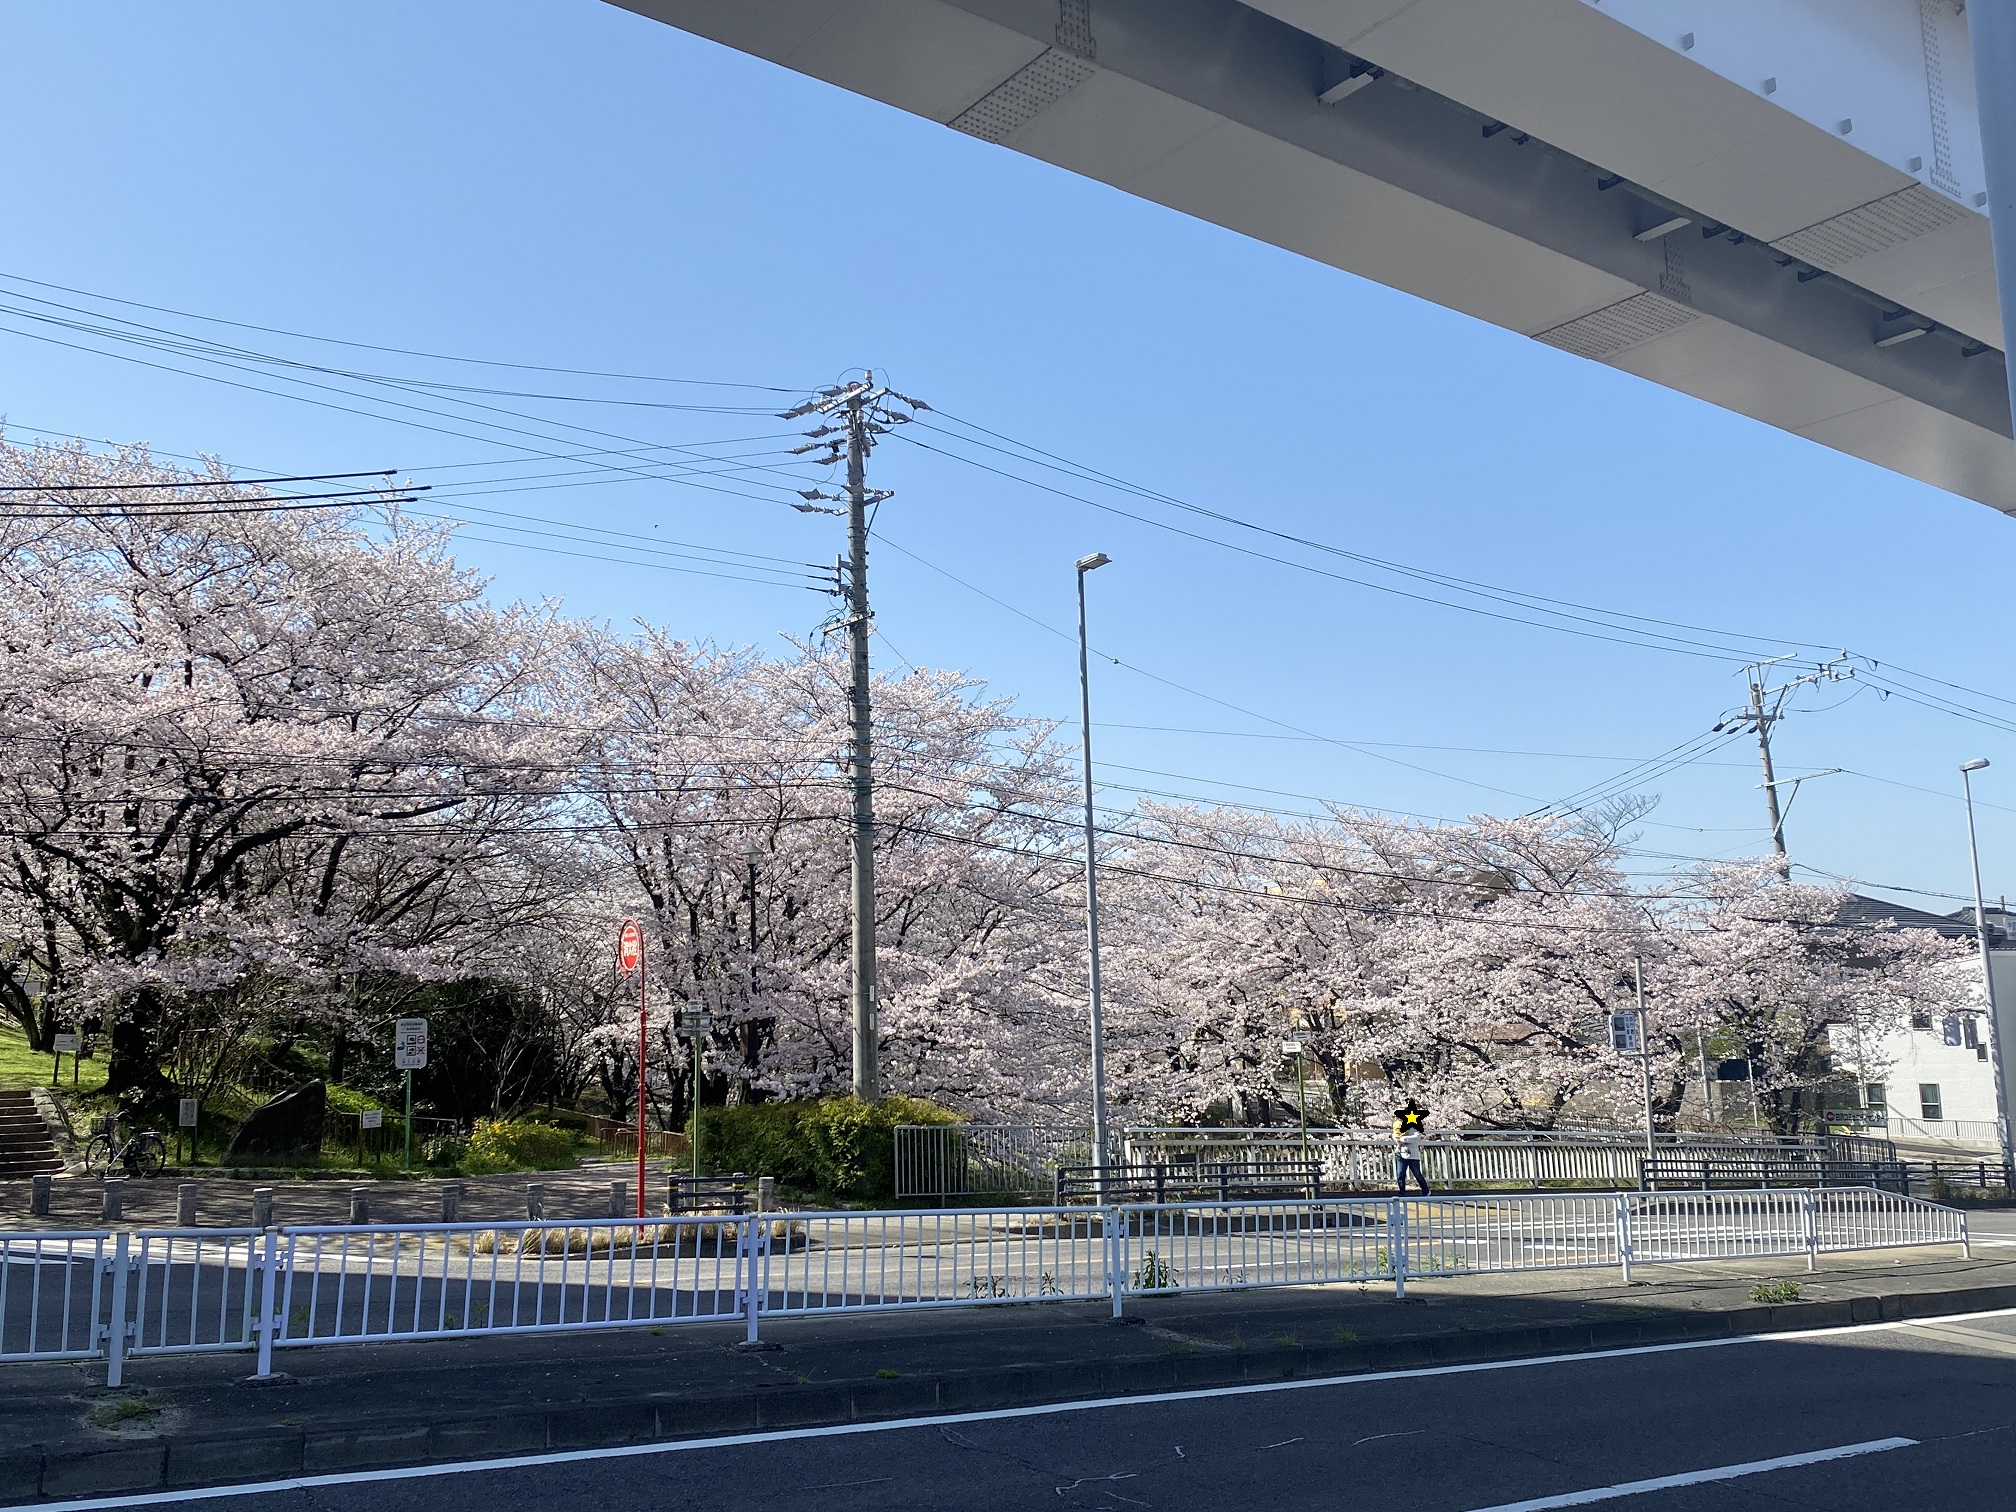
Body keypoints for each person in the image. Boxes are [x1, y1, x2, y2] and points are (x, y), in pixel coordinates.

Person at [1393, 1105, 1430, 1195]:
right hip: (1400, 1152)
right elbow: (1394, 1134)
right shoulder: (1399, 1124)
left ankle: (1426, 1190)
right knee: (1400, 1174)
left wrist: (1403, 1139)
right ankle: (1402, 1192)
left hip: (1412, 1154)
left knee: (1417, 1174)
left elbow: (1417, 1137)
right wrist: (1397, 1140)